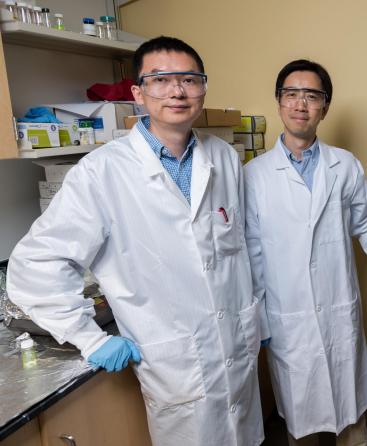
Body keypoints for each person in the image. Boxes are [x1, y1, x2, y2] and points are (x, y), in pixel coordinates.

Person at [7, 36, 267, 446]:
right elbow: (34, 265)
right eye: (161, 79)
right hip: (173, 364)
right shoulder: (101, 173)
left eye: (189, 79)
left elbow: (243, 248)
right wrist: (91, 339)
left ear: (203, 88)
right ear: (138, 94)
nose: (177, 91)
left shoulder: (224, 158)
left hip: (237, 351)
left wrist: (257, 315)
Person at [244, 59, 367, 446]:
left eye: (312, 95)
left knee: (350, 422)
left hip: (338, 307)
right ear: (278, 102)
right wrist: (260, 319)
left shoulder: (345, 166)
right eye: (291, 94)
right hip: (287, 317)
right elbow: (252, 252)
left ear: (325, 106)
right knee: (300, 422)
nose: (301, 104)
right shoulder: (253, 176)